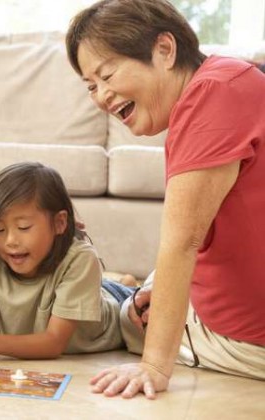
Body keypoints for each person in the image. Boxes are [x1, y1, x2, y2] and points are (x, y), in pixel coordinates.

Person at [65, 0, 265, 399]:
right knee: (151, 289)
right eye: (91, 86)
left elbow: (182, 242)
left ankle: (119, 294)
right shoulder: (232, 81)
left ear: (165, 50)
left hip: (243, 340)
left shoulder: (212, 96)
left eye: (107, 74)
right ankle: (129, 289)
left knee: (120, 318)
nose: (102, 96)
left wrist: (154, 366)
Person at [0, 162, 134, 366]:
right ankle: (118, 282)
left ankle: (125, 286)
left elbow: (54, 343)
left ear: (59, 223)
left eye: (23, 227)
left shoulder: (81, 259)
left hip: (117, 310)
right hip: (81, 289)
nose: (10, 241)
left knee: (143, 307)